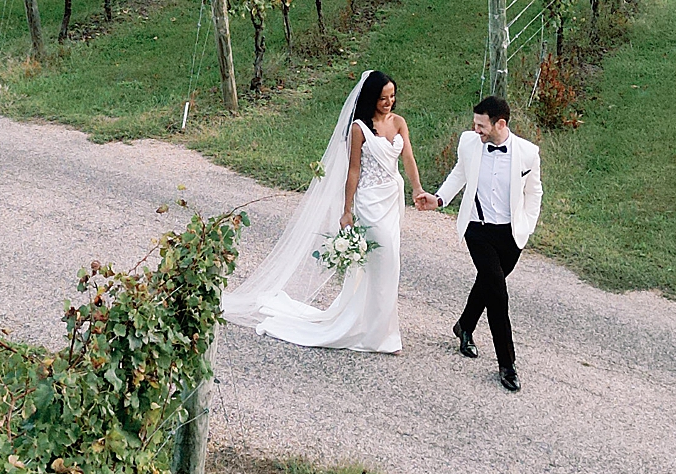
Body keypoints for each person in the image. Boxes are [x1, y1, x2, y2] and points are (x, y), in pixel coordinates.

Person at [221, 69, 426, 353]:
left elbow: (408, 158)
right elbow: (353, 171)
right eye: (383, 98)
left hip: (392, 199)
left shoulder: (399, 122)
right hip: (369, 201)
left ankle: (379, 327)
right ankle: (379, 333)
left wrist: (417, 189)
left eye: (392, 96)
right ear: (371, 98)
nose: (389, 102)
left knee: (390, 264)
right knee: (384, 259)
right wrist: (346, 210)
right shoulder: (359, 129)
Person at [421, 95, 542, 392]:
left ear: (500, 124)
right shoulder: (469, 143)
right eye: (475, 124)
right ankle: (507, 365)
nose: (476, 130)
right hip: (477, 229)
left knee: (488, 284)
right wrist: (439, 199)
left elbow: (534, 192)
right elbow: (459, 174)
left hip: (511, 235)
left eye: (481, 125)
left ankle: (464, 325)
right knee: (498, 295)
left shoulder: (528, 153)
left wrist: (526, 227)